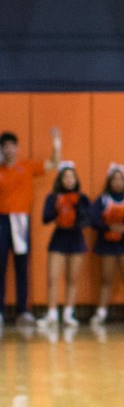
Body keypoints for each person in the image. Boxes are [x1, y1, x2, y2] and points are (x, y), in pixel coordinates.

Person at [0, 128, 61, 325]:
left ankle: (23, 311)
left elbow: (54, 163)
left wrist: (57, 143)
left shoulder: (26, 166)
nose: (9, 150)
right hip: (1, 220)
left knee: (21, 267)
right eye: (5, 147)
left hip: (20, 221)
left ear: (17, 147)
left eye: (12, 146)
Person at [38, 162, 89, 327]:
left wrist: (75, 210)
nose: (68, 180)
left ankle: (68, 313)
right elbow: (45, 218)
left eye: (71, 176)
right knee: (53, 278)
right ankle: (52, 313)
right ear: (60, 179)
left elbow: (89, 219)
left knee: (72, 279)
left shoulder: (82, 198)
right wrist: (58, 209)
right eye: (65, 177)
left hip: (76, 239)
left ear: (76, 179)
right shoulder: (53, 197)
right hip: (59, 238)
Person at [91, 163, 124, 324]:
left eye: (121, 179)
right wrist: (109, 227)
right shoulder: (102, 200)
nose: (118, 182)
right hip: (107, 244)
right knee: (106, 279)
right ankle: (101, 312)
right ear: (109, 181)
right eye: (115, 179)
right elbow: (93, 220)